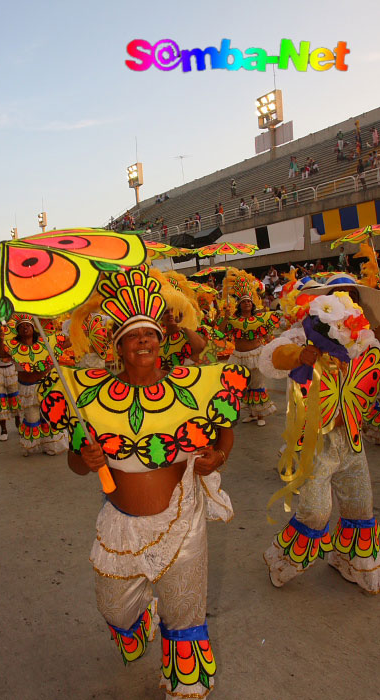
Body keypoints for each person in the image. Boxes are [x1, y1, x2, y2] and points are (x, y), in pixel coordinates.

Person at [38, 265, 250, 699]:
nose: (144, 341)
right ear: (118, 347)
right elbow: (77, 468)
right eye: (133, 336)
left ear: (160, 341)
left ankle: (185, 685)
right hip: (121, 525)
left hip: (182, 520)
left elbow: (223, 424)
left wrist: (218, 455)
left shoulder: (189, 388)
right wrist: (85, 456)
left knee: (185, 613)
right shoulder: (90, 400)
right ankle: (141, 620)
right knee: (114, 609)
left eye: (150, 334)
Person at [260, 277, 380, 594]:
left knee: (361, 508)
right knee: (316, 512)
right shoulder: (303, 333)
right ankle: (280, 560)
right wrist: (299, 355)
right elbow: (270, 358)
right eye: (338, 295)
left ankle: (349, 561)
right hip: (315, 443)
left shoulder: (366, 341)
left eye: (351, 295)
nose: (346, 299)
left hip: (352, 443)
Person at [0, 314, 70, 456]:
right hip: (27, 387)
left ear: (33, 328)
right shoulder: (14, 346)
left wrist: (74, 334)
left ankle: (50, 447)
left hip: (46, 386)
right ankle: (30, 446)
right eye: (22, 326)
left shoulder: (44, 342)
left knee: (48, 417)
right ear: (17, 331)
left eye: (28, 325)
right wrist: (1, 340)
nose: (25, 328)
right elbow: (1, 354)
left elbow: (65, 343)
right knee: (32, 418)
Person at [221, 270, 280, 427]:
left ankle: (260, 414)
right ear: (239, 305)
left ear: (252, 305)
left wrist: (274, 347)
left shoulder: (259, 319)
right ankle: (253, 414)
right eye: (244, 302)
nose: (247, 303)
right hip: (238, 355)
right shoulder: (233, 320)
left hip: (255, 355)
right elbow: (221, 332)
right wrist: (225, 318)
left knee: (257, 384)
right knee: (244, 385)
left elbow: (267, 335)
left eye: (249, 301)